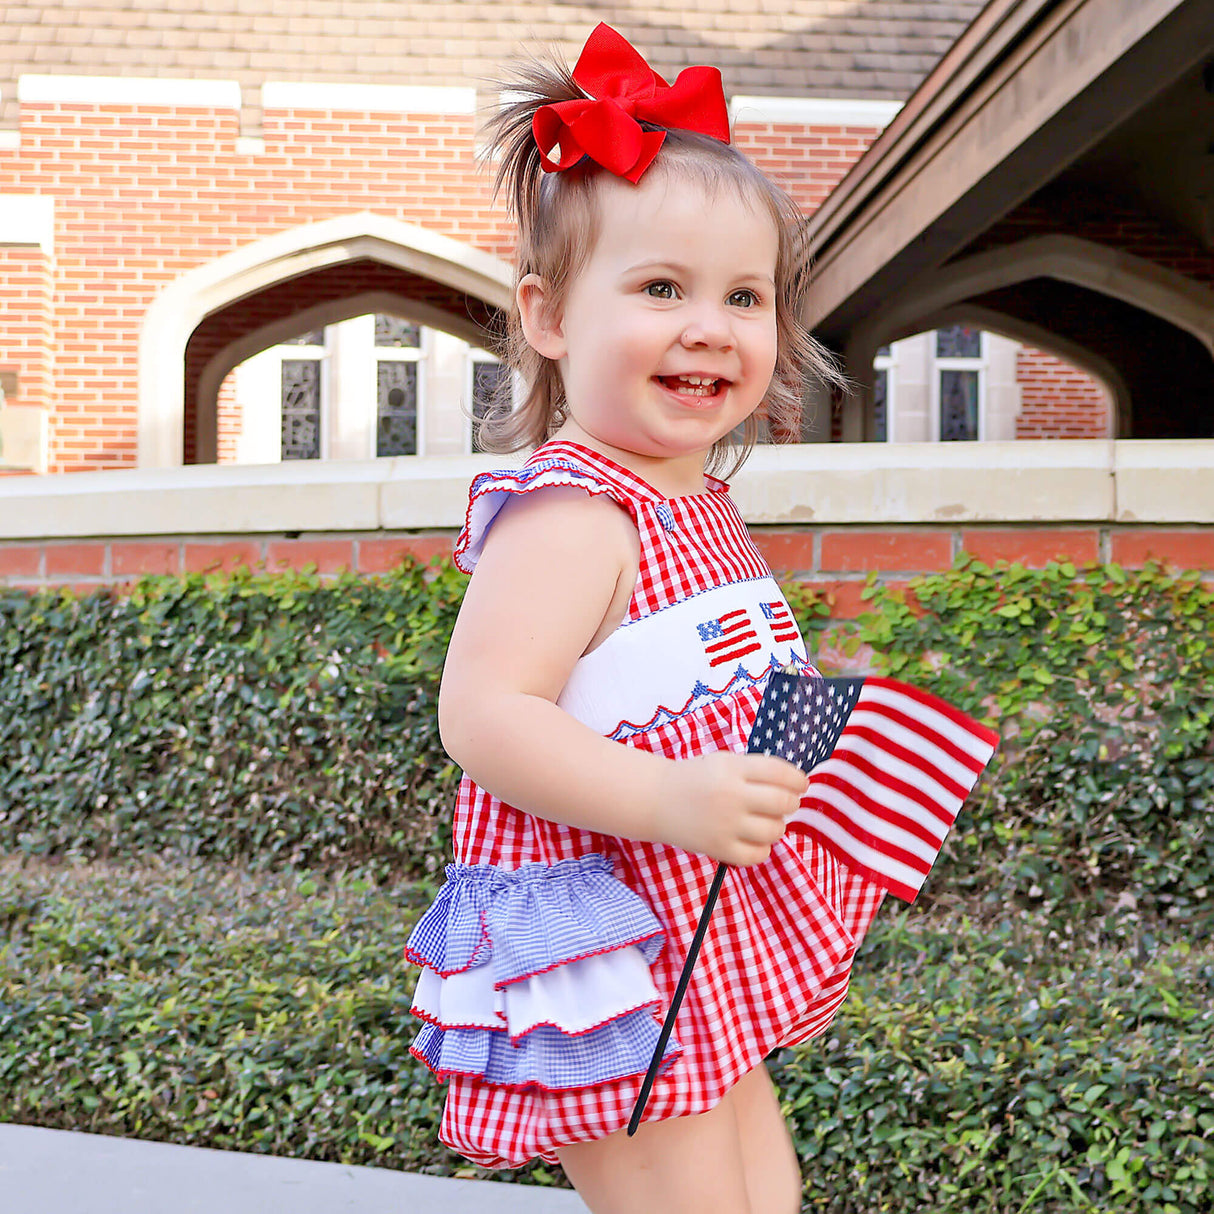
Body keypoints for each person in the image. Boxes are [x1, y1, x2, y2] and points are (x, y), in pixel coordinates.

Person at [406, 24, 866, 1214]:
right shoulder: (572, 510)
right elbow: (484, 711)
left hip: (696, 916)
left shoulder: (696, 494)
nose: (708, 323)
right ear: (549, 317)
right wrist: (667, 797)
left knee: (763, 1188)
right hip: (605, 934)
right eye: (660, 288)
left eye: (743, 295)